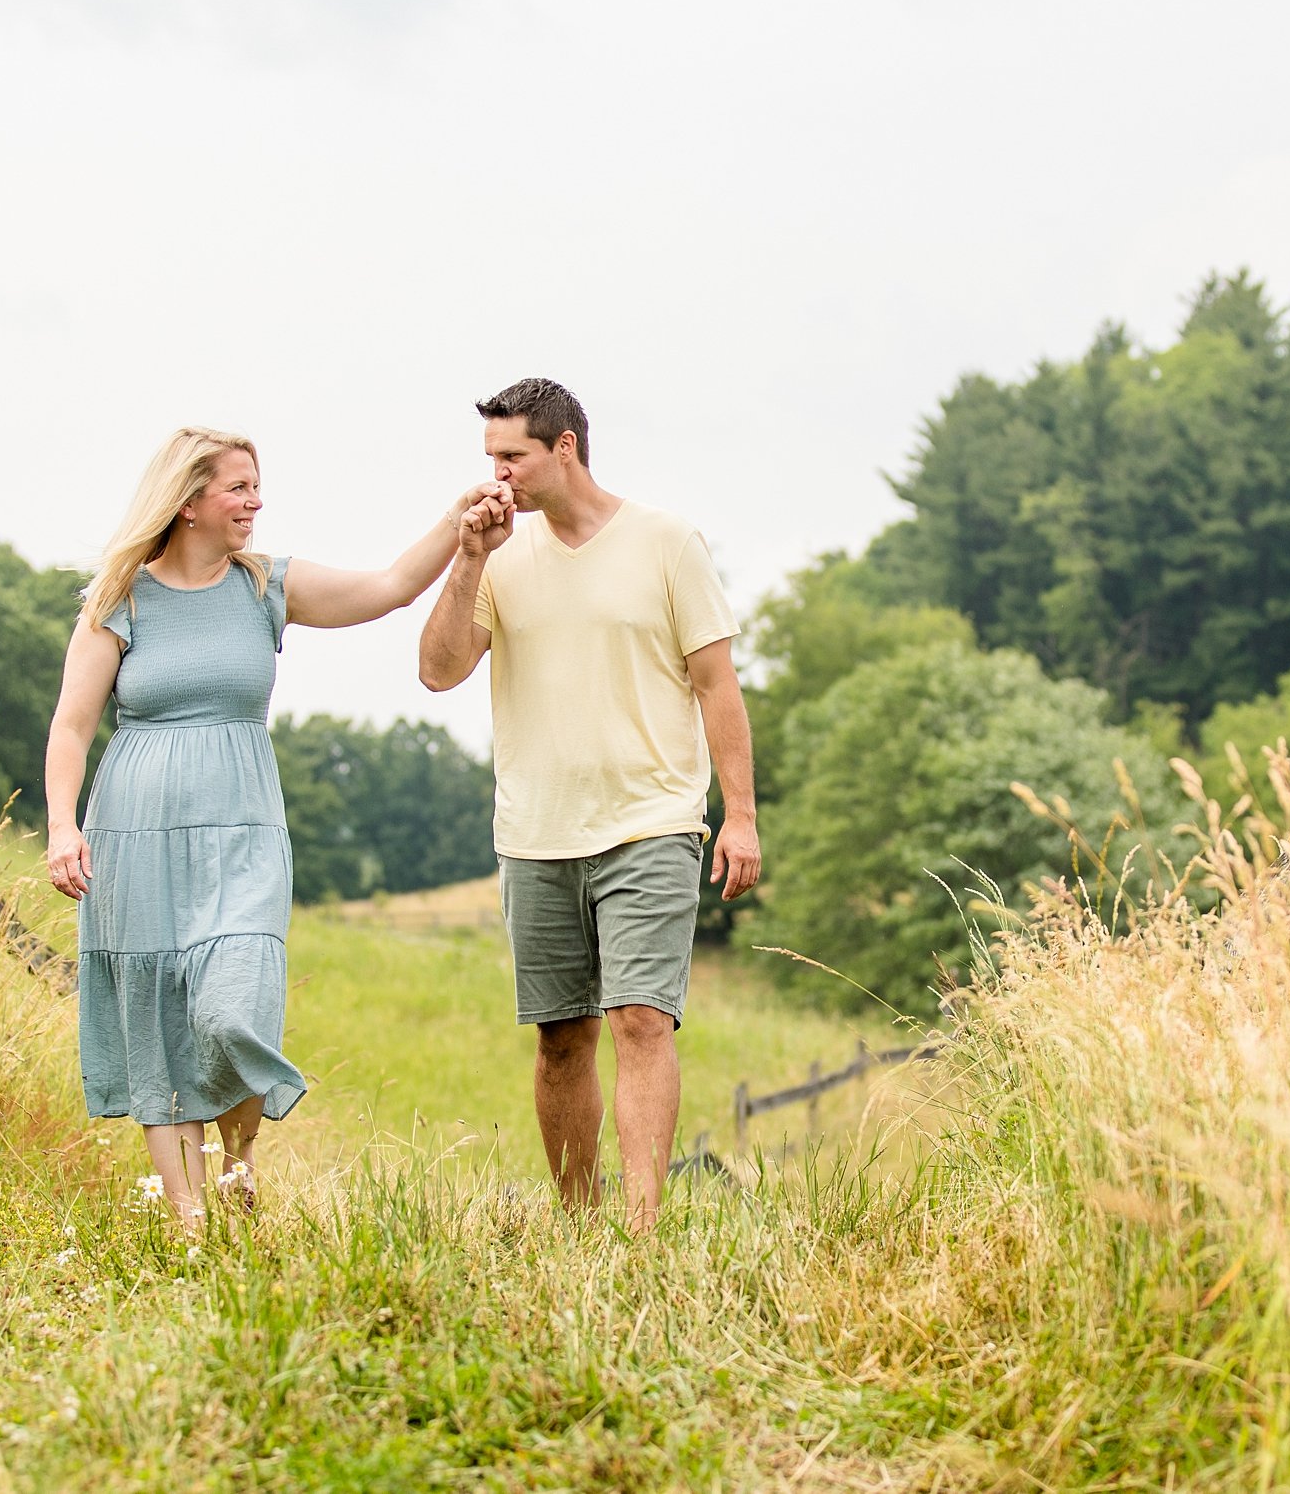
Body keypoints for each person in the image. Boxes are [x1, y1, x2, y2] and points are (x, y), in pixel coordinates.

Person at [48, 427, 496, 1223]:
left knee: (234, 1006)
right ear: (188, 502)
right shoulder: (119, 599)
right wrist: (60, 825)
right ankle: (193, 1228)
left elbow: (390, 586)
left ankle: (240, 1151)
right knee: (160, 1022)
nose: (255, 501)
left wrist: (457, 522)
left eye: (258, 486)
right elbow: (72, 726)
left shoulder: (266, 588)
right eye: (239, 487)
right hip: (136, 835)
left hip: (243, 835)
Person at [417, 378, 760, 1232]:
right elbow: (438, 668)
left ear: (563, 448)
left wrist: (742, 815)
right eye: (488, 458)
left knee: (641, 1018)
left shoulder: (667, 542)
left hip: (651, 821)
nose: (495, 476)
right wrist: (467, 559)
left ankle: (639, 1230)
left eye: (511, 457)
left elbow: (717, 685)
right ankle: (579, 1225)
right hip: (535, 834)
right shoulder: (498, 557)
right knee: (561, 1037)